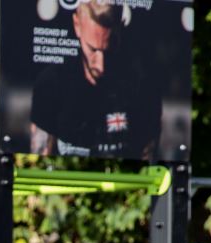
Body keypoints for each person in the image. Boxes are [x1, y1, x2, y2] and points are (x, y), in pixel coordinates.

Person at [29, 0, 161, 160]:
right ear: (77, 25)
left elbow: (147, 162)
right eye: (92, 49)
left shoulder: (143, 87)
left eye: (109, 49)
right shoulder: (51, 83)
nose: (101, 65)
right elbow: (39, 160)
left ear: (120, 30)